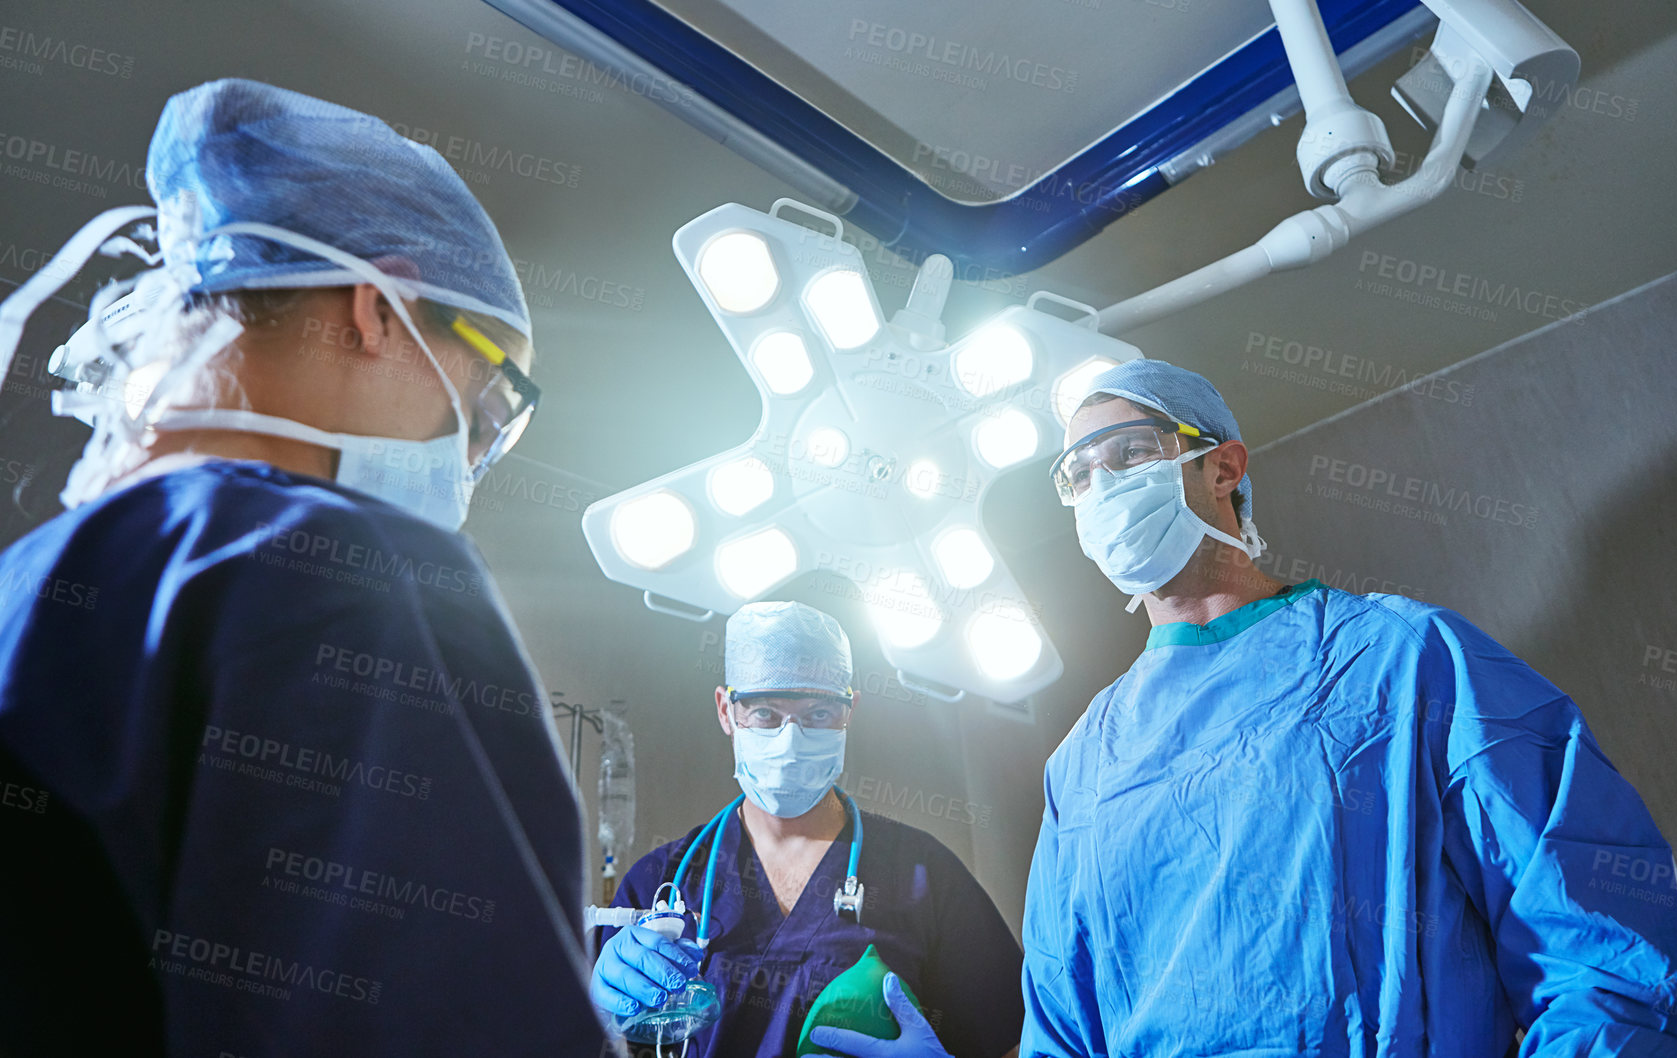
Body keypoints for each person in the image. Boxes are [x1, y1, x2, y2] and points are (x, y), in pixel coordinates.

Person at [0, 80, 604, 1056]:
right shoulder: (345, 572)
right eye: (486, 404)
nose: (466, 460)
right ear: (378, 308)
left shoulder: (28, 583)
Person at [1021, 359, 1677, 1056]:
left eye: (1132, 452)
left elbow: (1601, 952)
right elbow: (1062, 1027)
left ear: (1223, 468)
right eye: (1080, 475)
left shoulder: (1405, 658)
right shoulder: (1079, 771)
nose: (1102, 487)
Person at [591, 600, 1023, 1058]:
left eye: (818, 714)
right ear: (725, 710)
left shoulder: (923, 876)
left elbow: (1016, 1044)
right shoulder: (660, 883)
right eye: (765, 714)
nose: (790, 740)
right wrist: (598, 1017)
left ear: (850, 712)